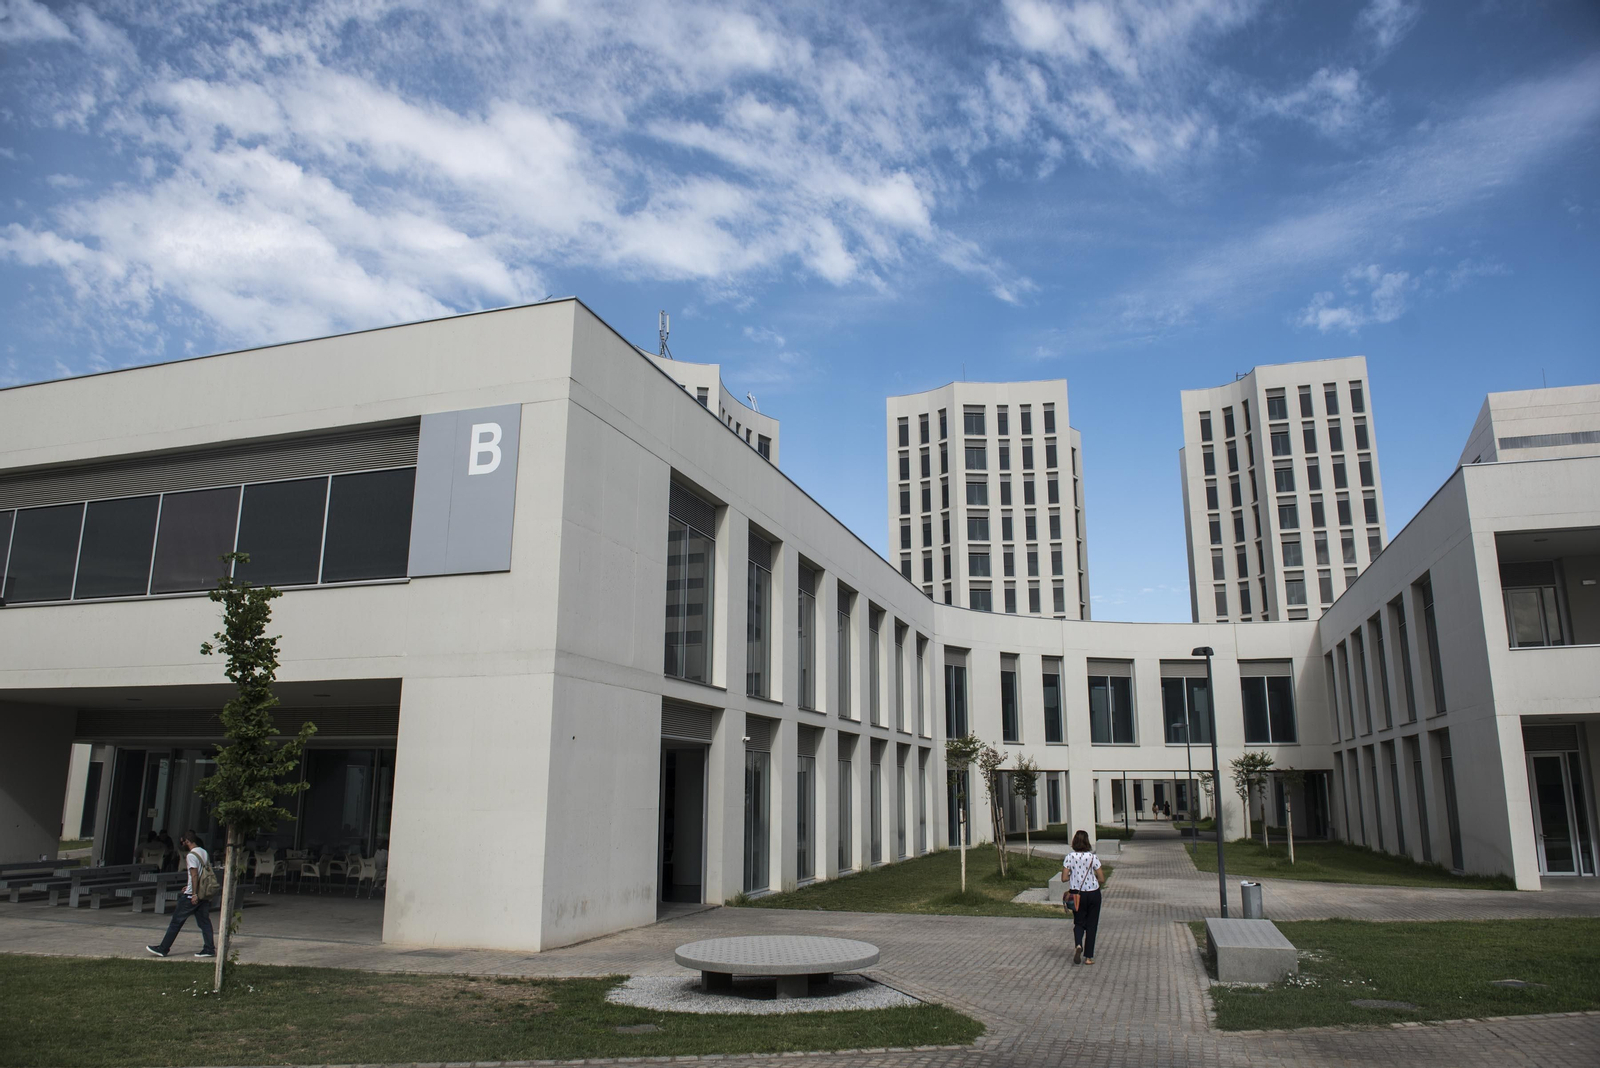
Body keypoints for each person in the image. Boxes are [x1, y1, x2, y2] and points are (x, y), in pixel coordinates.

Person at [146, 830, 216, 959]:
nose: (182, 844)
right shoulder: (203, 852)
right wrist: (189, 886)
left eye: (182, 842)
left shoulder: (191, 855)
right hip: (203, 893)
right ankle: (209, 948)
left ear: (187, 841)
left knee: (176, 922)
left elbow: (194, 875)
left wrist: (193, 893)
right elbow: (201, 873)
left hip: (191, 896)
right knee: (205, 922)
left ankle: (163, 948)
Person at [1062, 829, 1104, 966]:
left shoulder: (1069, 857)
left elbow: (1064, 878)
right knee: (1092, 925)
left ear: (1074, 841)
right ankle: (1089, 957)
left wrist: (1073, 875)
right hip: (1093, 893)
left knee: (1079, 922)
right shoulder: (1093, 857)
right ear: (1087, 842)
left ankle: (1078, 944)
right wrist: (1093, 877)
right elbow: (1102, 878)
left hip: (1077, 894)